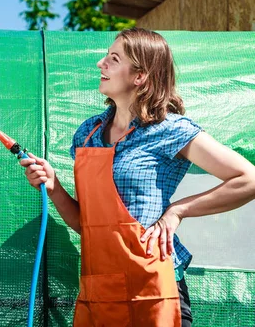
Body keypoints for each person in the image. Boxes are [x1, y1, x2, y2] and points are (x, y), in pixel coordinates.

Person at [20, 28, 255, 327]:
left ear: (139, 76)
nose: (101, 64)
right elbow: (87, 225)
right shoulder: (88, 134)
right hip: (100, 288)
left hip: (153, 286)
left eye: (113, 59)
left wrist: (177, 211)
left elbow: (248, 178)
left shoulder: (169, 129)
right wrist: (53, 188)